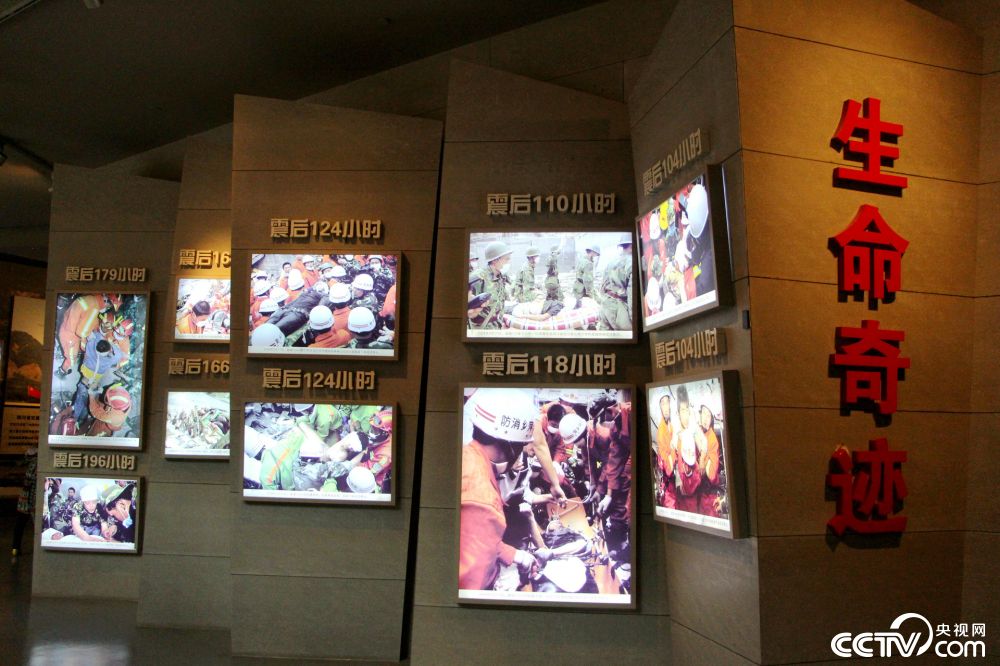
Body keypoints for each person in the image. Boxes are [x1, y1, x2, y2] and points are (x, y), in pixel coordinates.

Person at [459, 389, 540, 590]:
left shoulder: (467, 455)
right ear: (511, 446)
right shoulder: (483, 501)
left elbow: (477, 537)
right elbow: (471, 585)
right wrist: (502, 578)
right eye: (521, 447)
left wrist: (513, 555)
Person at [669, 386, 708, 513]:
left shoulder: (693, 426)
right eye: (682, 410)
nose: (685, 414)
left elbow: (704, 443)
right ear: (678, 412)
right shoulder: (675, 429)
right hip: (681, 481)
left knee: (694, 508)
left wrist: (702, 460)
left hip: (694, 478)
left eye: (686, 409)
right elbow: (673, 453)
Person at [468, 241, 512, 330]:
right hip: (481, 329)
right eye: (506, 259)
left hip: (497, 325)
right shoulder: (478, 278)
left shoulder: (501, 276)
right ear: (495, 260)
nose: (509, 262)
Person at [598, 235, 633, 330]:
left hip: (605, 306)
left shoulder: (611, 262)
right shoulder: (631, 263)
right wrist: (633, 318)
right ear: (631, 246)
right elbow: (632, 296)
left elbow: (602, 287)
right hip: (618, 309)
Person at [11, 447, 37, 563]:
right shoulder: (37, 463)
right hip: (33, 500)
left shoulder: (29, 464)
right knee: (36, 526)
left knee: (20, 525)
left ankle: (15, 548)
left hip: (25, 500)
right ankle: (38, 548)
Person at [654, 393, 677, 508]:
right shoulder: (661, 431)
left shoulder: (672, 425)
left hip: (676, 484)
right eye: (663, 403)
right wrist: (673, 449)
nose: (666, 406)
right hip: (669, 488)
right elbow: (668, 469)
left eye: (667, 402)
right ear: (660, 407)